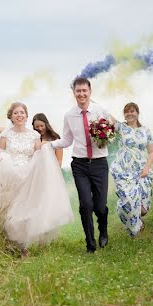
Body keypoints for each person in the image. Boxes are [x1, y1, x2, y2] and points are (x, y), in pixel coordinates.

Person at [0, 102, 73, 253]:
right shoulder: (6, 134)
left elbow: (37, 154)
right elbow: (2, 154)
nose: (19, 115)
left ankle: (27, 243)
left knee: (26, 208)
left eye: (22, 113)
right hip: (9, 175)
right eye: (16, 113)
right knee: (10, 208)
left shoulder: (34, 135)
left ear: (26, 116)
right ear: (11, 116)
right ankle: (12, 242)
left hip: (28, 173)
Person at [49, 78, 112, 253]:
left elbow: (111, 132)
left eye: (84, 90)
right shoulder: (69, 115)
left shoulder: (101, 111)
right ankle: (90, 243)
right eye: (78, 91)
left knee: (100, 206)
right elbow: (67, 140)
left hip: (99, 164)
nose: (82, 94)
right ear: (74, 93)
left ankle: (103, 228)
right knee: (85, 204)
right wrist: (49, 145)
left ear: (90, 91)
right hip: (80, 165)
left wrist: (105, 137)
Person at [110, 102, 153, 236]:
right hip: (125, 171)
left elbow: (152, 152)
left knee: (143, 209)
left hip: (142, 170)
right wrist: (89, 99)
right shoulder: (121, 128)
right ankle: (136, 230)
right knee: (130, 201)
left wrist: (147, 168)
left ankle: (122, 208)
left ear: (137, 113)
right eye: (126, 112)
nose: (129, 114)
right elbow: (107, 115)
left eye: (132, 111)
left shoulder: (145, 130)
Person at [0, 112, 64, 166]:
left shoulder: (55, 139)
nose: (40, 128)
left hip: (51, 170)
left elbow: (59, 161)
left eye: (42, 126)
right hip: (35, 171)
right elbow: (8, 131)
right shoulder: (33, 137)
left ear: (46, 125)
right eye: (37, 127)